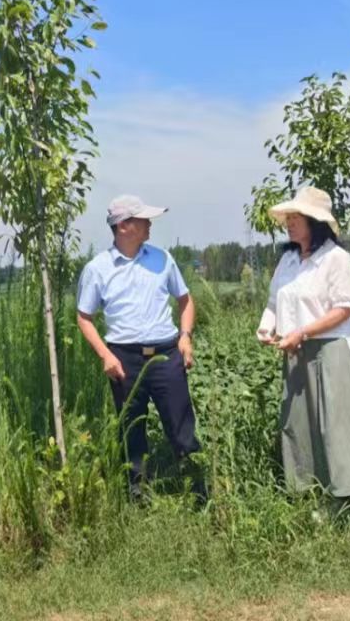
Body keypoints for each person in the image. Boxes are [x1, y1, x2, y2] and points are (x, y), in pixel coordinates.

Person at [76, 194, 206, 501]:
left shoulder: (162, 259)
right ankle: (139, 498)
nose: (149, 224)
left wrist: (185, 336)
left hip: (166, 355)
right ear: (123, 226)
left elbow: (185, 300)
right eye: (143, 219)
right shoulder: (98, 269)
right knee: (132, 431)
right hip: (124, 360)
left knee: (182, 427)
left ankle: (198, 492)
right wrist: (105, 355)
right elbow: (84, 317)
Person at [256, 186, 350, 503]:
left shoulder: (336, 260)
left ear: (315, 221)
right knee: (298, 425)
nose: (289, 222)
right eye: (289, 217)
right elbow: (274, 301)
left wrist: (303, 332)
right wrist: (267, 326)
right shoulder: (288, 261)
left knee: (336, 427)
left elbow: (344, 308)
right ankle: (308, 497)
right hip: (296, 351)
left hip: (331, 350)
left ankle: (347, 500)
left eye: (296, 217)